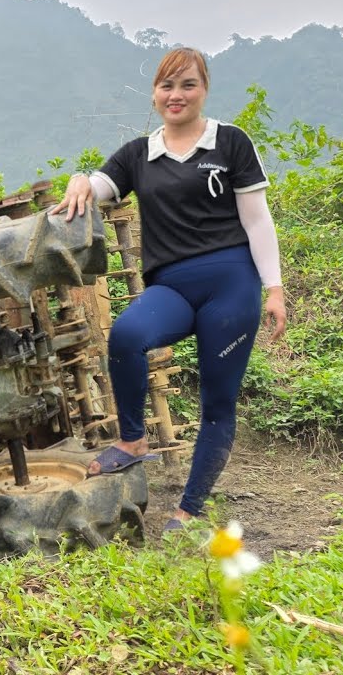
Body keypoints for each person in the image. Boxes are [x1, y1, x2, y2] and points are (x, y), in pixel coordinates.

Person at [52, 47, 287, 532]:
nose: (176, 96)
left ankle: (189, 509)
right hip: (172, 286)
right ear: (155, 93)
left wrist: (274, 289)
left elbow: (257, 220)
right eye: (167, 86)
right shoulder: (140, 153)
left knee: (217, 402)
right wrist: (79, 179)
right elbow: (100, 183)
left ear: (204, 89)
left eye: (188, 85)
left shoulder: (231, 143)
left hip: (231, 283)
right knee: (127, 334)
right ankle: (134, 440)